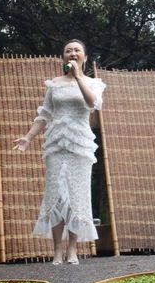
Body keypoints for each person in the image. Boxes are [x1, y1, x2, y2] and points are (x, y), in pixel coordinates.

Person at [13, 39, 106, 265]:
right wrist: (27, 137)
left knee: (76, 194)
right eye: (68, 51)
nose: (72, 53)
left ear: (84, 57)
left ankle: (73, 249)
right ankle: (57, 250)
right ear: (63, 57)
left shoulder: (94, 83)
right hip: (56, 143)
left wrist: (77, 78)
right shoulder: (54, 84)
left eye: (76, 50)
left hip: (80, 144)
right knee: (55, 193)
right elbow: (44, 114)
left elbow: (93, 103)